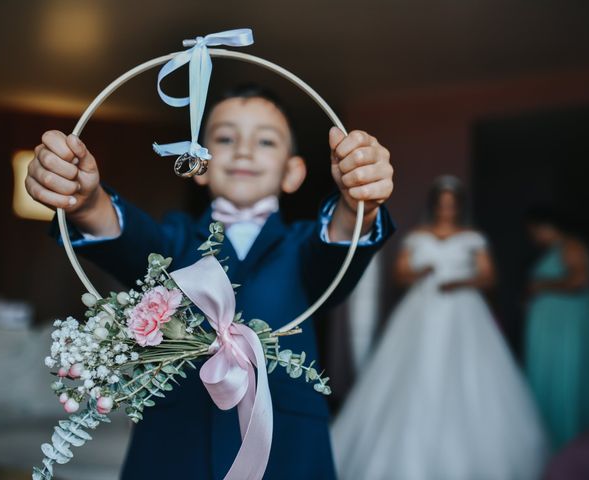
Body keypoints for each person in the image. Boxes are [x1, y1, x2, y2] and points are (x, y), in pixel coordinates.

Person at [25, 85, 395, 479]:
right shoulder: (173, 241)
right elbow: (126, 235)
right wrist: (87, 201)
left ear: (293, 172)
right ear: (197, 163)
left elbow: (337, 241)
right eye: (224, 138)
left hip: (288, 448)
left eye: (266, 140)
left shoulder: (304, 247)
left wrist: (358, 205)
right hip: (175, 446)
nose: (243, 150)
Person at [332, 176, 548, 480]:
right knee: (414, 372)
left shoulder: (472, 236)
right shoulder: (418, 236)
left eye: (452, 204)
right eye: (442, 204)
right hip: (421, 310)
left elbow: (489, 278)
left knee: (470, 374)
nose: (447, 209)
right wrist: (422, 271)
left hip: (464, 311)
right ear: (435, 205)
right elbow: (400, 275)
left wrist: (459, 282)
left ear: (459, 206)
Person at [525, 207, 589, 450]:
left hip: (564, 331)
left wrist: (541, 285)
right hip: (552, 330)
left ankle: (565, 442)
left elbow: (579, 280)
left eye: (533, 230)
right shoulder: (556, 250)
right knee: (552, 380)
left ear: (546, 226)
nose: (533, 237)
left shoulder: (571, 246)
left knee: (564, 380)